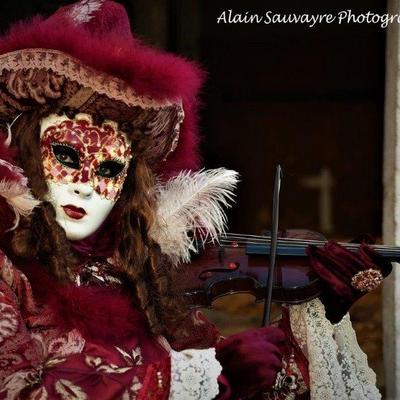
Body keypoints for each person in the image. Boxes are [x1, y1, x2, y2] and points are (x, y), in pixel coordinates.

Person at [0, 1, 392, 399]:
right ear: (23, 150)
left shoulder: (138, 274)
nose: (85, 185)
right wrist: (207, 374)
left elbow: (241, 379)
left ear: (128, 184)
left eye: (108, 170)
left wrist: (321, 305)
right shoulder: (7, 273)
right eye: (66, 157)